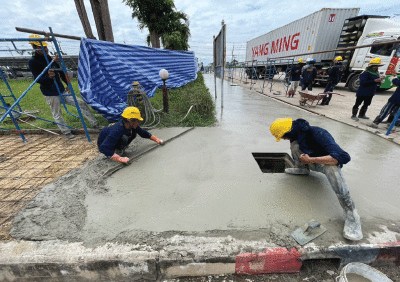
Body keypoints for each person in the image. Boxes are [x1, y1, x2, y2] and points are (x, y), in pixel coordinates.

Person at [270, 118, 363, 241]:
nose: (284, 139)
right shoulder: (298, 134)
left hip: (324, 163)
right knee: (295, 145)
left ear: (289, 131)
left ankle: (351, 214)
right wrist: (305, 161)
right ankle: (302, 169)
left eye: (283, 137)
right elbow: (296, 145)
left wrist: (311, 160)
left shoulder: (318, 133)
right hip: (310, 160)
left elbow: (342, 157)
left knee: (332, 168)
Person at [28, 34, 101, 139]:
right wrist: (48, 77)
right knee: (57, 114)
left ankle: (95, 124)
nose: (46, 49)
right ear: (35, 47)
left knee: (80, 103)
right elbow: (37, 79)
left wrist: (67, 84)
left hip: (61, 90)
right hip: (50, 92)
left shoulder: (48, 58)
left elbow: (61, 72)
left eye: (46, 47)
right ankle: (66, 132)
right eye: (43, 47)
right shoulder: (33, 62)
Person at [97, 107, 164, 164]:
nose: (138, 123)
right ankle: (116, 151)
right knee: (124, 138)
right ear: (130, 120)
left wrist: (157, 139)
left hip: (112, 140)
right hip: (105, 145)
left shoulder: (131, 125)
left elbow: (142, 133)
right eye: (137, 121)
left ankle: (120, 148)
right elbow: (103, 148)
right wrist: (119, 159)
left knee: (133, 133)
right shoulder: (117, 130)